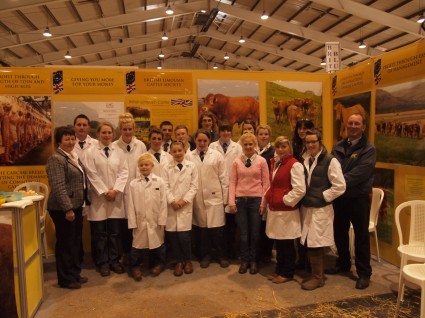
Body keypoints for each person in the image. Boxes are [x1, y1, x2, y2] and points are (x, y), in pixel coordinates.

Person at [326, 113, 377, 290]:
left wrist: (338, 180)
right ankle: (343, 263)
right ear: (346, 126)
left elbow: (360, 174)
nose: (353, 126)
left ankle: (364, 273)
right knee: (339, 232)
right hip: (340, 198)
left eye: (357, 124)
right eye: (350, 123)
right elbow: (331, 169)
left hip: (358, 199)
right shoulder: (338, 146)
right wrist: (337, 179)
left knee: (361, 237)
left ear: (363, 127)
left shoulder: (369, 149)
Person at [300, 129, 346, 290]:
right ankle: (314, 273)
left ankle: (318, 278)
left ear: (320, 142)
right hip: (307, 207)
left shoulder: (330, 160)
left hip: (320, 209)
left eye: (314, 142)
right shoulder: (305, 159)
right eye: (308, 142)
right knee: (309, 241)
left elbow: (340, 186)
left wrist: (323, 196)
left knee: (316, 243)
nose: (310, 145)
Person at [46, 126, 90, 289]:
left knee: (75, 242)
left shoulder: (72, 156)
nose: (71, 142)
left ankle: (75, 274)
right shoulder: (56, 159)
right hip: (63, 209)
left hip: (76, 206)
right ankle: (66, 279)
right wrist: (68, 209)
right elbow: (58, 186)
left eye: (72, 139)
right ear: (59, 141)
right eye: (67, 139)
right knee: (66, 243)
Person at [85, 122, 129, 277]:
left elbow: (124, 172)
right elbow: (91, 174)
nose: (106, 135)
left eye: (109, 132)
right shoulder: (90, 152)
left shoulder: (119, 151)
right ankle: (103, 262)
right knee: (100, 233)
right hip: (99, 199)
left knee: (115, 233)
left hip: (115, 197)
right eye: (103, 132)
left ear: (113, 134)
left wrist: (115, 190)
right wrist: (105, 192)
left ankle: (115, 261)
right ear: (98, 134)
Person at [264, 136, 305, 284]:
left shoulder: (295, 165)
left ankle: (287, 273)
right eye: (278, 147)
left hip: (286, 211)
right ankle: (280, 270)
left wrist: (285, 200)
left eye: (284, 147)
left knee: (287, 244)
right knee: (279, 243)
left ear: (290, 148)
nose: (281, 149)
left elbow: (300, 189)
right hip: (276, 210)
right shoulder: (277, 163)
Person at [229, 133, 270, 275]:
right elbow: (233, 182)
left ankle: (253, 261)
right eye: (245, 144)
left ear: (255, 145)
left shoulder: (261, 161)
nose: (248, 147)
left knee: (255, 234)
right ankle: (244, 261)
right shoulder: (236, 162)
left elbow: (266, 184)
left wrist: (263, 203)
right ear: (242, 145)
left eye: (250, 144)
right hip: (240, 201)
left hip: (256, 201)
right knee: (243, 234)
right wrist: (231, 201)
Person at [188, 129, 229, 268]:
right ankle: (205, 256)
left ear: (209, 141)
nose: (202, 143)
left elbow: (224, 178)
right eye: (199, 140)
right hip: (198, 198)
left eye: (205, 140)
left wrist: (226, 199)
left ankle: (222, 255)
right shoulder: (188, 156)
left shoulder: (217, 155)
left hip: (215, 197)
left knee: (218, 231)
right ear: (195, 140)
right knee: (202, 231)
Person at [113, 113, 147, 266]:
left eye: (130, 129)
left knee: (138, 222)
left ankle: (138, 254)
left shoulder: (141, 145)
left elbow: (145, 166)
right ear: (120, 129)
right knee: (124, 225)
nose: (127, 132)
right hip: (121, 192)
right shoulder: (114, 146)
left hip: (138, 190)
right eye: (124, 129)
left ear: (134, 129)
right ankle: (126, 254)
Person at [127, 153, 167, 281]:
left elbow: (163, 202)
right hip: (140, 220)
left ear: (152, 166)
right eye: (141, 165)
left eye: (147, 165)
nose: (144, 167)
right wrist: (132, 222)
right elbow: (130, 204)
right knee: (137, 245)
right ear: (138, 167)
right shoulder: (133, 184)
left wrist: (162, 219)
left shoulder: (159, 182)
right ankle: (134, 267)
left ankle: (160, 264)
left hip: (155, 220)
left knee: (158, 244)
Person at [163, 141, 198, 276]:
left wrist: (183, 201)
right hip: (171, 206)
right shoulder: (166, 167)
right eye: (174, 151)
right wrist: (172, 201)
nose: (177, 153)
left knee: (184, 236)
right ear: (170, 152)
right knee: (173, 236)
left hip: (185, 206)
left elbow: (194, 186)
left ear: (184, 151)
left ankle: (187, 261)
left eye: (180, 151)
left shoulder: (192, 166)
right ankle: (179, 261)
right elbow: (164, 186)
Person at [209, 122, 242, 259]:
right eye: (223, 130)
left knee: (230, 224)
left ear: (231, 132)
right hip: (215, 188)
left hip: (232, 187)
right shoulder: (212, 146)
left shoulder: (238, 147)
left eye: (228, 130)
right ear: (219, 132)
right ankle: (217, 251)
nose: (226, 133)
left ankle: (230, 251)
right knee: (216, 223)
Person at [291, 118, 314, 270]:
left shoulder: (314, 148)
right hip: (296, 190)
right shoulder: (294, 147)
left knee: (309, 227)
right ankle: (300, 258)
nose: (302, 131)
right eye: (300, 128)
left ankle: (310, 261)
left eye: (305, 128)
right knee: (298, 227)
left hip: (310, 191)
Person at [256, 124, 275, 264]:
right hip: (254, 191)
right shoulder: (252, 151)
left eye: (266, 134)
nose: (263, 136)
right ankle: (257, 253)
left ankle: (266, 254)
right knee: (257, 224)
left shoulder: (274, 152)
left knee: (267, 223)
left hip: (269, 190)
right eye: (261, 134)